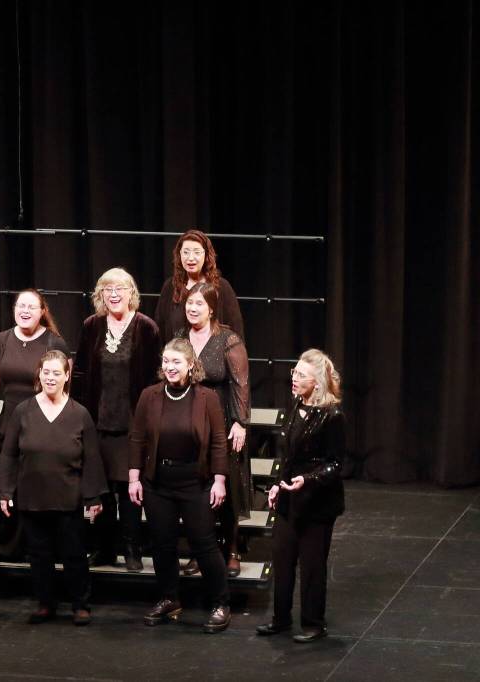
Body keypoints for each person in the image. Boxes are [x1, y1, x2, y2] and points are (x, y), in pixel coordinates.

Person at [128, 338, 231, 633]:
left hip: (195, 482)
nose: (170, 367)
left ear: (190, 365)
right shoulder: (149, 395)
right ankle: (169, 598)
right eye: (166, 361)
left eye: (176, 362)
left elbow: (218, 441)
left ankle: (220, 603)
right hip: (158, 482)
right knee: (162, 544)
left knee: (204, 544)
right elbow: (137, 438)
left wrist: (219, 480)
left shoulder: (207, 397)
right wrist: (134, 478)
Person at [0, 350, 107, 626]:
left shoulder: (80, 414)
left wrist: (93, 497)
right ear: (39, 375)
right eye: (46, 372)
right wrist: (5, 491)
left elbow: (92, 458)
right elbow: (8, 454)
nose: (50, 378)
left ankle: (80, 604)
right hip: (32, 497)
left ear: (67, 376)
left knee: (74, 554)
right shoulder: (23, 411)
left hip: (69, 498)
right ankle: (45, 603)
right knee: (39, 555)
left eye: (56, 373)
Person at [71, 267, 160, 571]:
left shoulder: (146, 328)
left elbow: (154, 378)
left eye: (120, 288)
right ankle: (104, 549)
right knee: (103, 488)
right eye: (107, 289)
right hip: (98, 422)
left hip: (132, 423)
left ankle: (132, 550)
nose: (113, 294)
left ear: (131, 293)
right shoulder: (91, 326)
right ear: (100, 295)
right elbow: (80, 373)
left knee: (129, 490)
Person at [258, 349, 345, 643]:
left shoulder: (332, 416)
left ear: (316, 382)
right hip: (289, 497)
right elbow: (288, 456)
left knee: (312, 566)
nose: (293, 378)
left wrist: (307, 480)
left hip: (317, 502)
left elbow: (335, 464)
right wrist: (276, 484)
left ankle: (313, 623)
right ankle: (280, 619)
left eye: (301, 375)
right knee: (282, 560)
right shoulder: (296, 404)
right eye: (294, 372)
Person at [0, 289, 70, 563]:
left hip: (42, 423)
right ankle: (7, 544)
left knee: (37, 485)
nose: (25, 311)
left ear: (42, 311)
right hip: (9, 421)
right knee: (8, 483)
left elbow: (66, 387)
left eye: (32, 307)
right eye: (21, 306)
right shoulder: (2, 339)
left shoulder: (54, 342)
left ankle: (39, 546)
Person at [184, 282, 251, 577]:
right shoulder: (180, 338)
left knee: (227, 488)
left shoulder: (227, 339)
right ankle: (201, 551)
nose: (193, 308)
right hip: (189, 421)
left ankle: (232, 550)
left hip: (222, 421)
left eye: (199, 303)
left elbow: (240, 384)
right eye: (189, 303)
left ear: (211, 308)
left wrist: (240, 422)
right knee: (195, 491)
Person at [154, 229, 244, 342]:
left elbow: (236, 332)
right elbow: (159, 331)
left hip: (214, 353)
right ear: (179, 254)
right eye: (186, 252)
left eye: (197, 252)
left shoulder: (222, 287)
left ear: (206, 255)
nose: (191, 258)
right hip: (177, 352)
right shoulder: (170, 287)